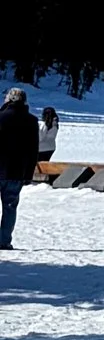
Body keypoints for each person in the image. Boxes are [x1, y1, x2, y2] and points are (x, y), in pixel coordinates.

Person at [0, 88, 37, 248]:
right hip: (17, 172)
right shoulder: (31, 121)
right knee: (10, 207)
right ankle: (4, 241)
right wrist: (28, 174)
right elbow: (33, 150)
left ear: (8, 100)